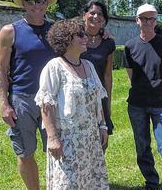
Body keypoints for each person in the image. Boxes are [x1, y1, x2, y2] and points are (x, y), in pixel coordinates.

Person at [0, 0, 57, 190]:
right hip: (22, 100)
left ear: (46, 3)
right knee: (25, 152)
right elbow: (0, 69)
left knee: (58, 148)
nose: (36, 5)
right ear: (23, 4)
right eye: (30, 1)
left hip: (52, 98)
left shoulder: (55, 31)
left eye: (40, 1)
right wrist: (3, 104)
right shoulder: (10, 31)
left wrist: (103, 34)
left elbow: (83, 40)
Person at [35, 19, 109, 189]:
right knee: (67, 183)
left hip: (90, 139)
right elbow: (46, 104)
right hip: (67, 141)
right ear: (66, 39)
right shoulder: (54, 67)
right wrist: (52, 138)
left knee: (91, 182)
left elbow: (98, 99)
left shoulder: (89, 66)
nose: (86, 37)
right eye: (80, 35)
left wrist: (103, 126)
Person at [124, 4, 162, 190]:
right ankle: (151, 181)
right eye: (144, 19)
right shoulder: (130, 46)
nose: (148, 22)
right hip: (137, 105)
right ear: (137, 20)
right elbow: (131, 74)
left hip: (160, 104)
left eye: (151, 19)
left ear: (156, 21)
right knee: (142, 146)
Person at [80, 0, 116, 138]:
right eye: (92, 13)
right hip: (78, 96)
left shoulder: (108, 43)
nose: (96, 17)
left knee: (102, 139)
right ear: (84, 15)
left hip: (99, 95)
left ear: (104, 19)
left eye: (100, 14)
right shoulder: (74, 38)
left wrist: (108, 102)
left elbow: (107, 75)